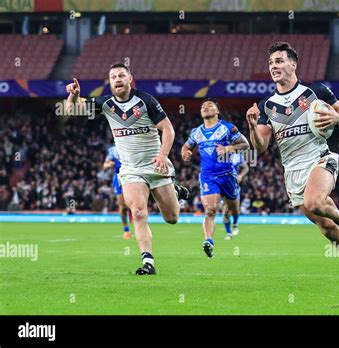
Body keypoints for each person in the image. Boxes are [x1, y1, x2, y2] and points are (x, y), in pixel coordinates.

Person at [246, 42, 339, 287]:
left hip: (321, 158)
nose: (273, 66)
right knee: (326, 229)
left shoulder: (316, 91)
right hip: (292, 172)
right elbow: (260, 146)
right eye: (271, 63)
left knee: (314, 202)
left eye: (279, 61)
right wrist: (253, 127)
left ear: (293, 65)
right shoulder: (267, 105)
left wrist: (338, 117)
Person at [65, 63, 189, 275]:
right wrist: (74, 96)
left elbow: (168, 129)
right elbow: (71, 110)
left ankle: (175, 191)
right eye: (113, 76)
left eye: (122, 75)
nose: (118, 79)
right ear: (110, 82)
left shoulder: (146, 100)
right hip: (131, 169)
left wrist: (162, 155)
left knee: (172, 218)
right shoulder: (105, 103)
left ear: (130, 79)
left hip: (155, 164)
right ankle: (148, 262)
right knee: (139, 212)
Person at [181, 99, 249, 258]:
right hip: (208, 177)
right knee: (210, 210)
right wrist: (185, 152)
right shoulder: (196, 132)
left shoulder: (227, 128)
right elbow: (186, 146)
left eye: (209, 105)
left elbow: (245, 144)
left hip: (227, 175)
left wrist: (228, 148)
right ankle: (209, 241)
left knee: (233, 209)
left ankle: (235, 221)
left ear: (217, 111)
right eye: (203, 106)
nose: (205, 107)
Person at [103, 145, 132, 239]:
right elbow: (105, 166)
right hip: (118, 178)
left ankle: (132, 211)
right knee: (122, 206)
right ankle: (126, 230)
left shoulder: (131, 146)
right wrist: (109, 165)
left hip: (131, 176)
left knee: (133, 203)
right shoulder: (112, 150)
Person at [222, 153, 249, 240]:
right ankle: (228, 233)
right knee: (225, 211)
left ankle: (235, 223)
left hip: (234, 186)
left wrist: (240, 175)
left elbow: (246, 167)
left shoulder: (237, 156)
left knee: (235, 210)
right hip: (222, 185)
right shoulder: (219, 154)